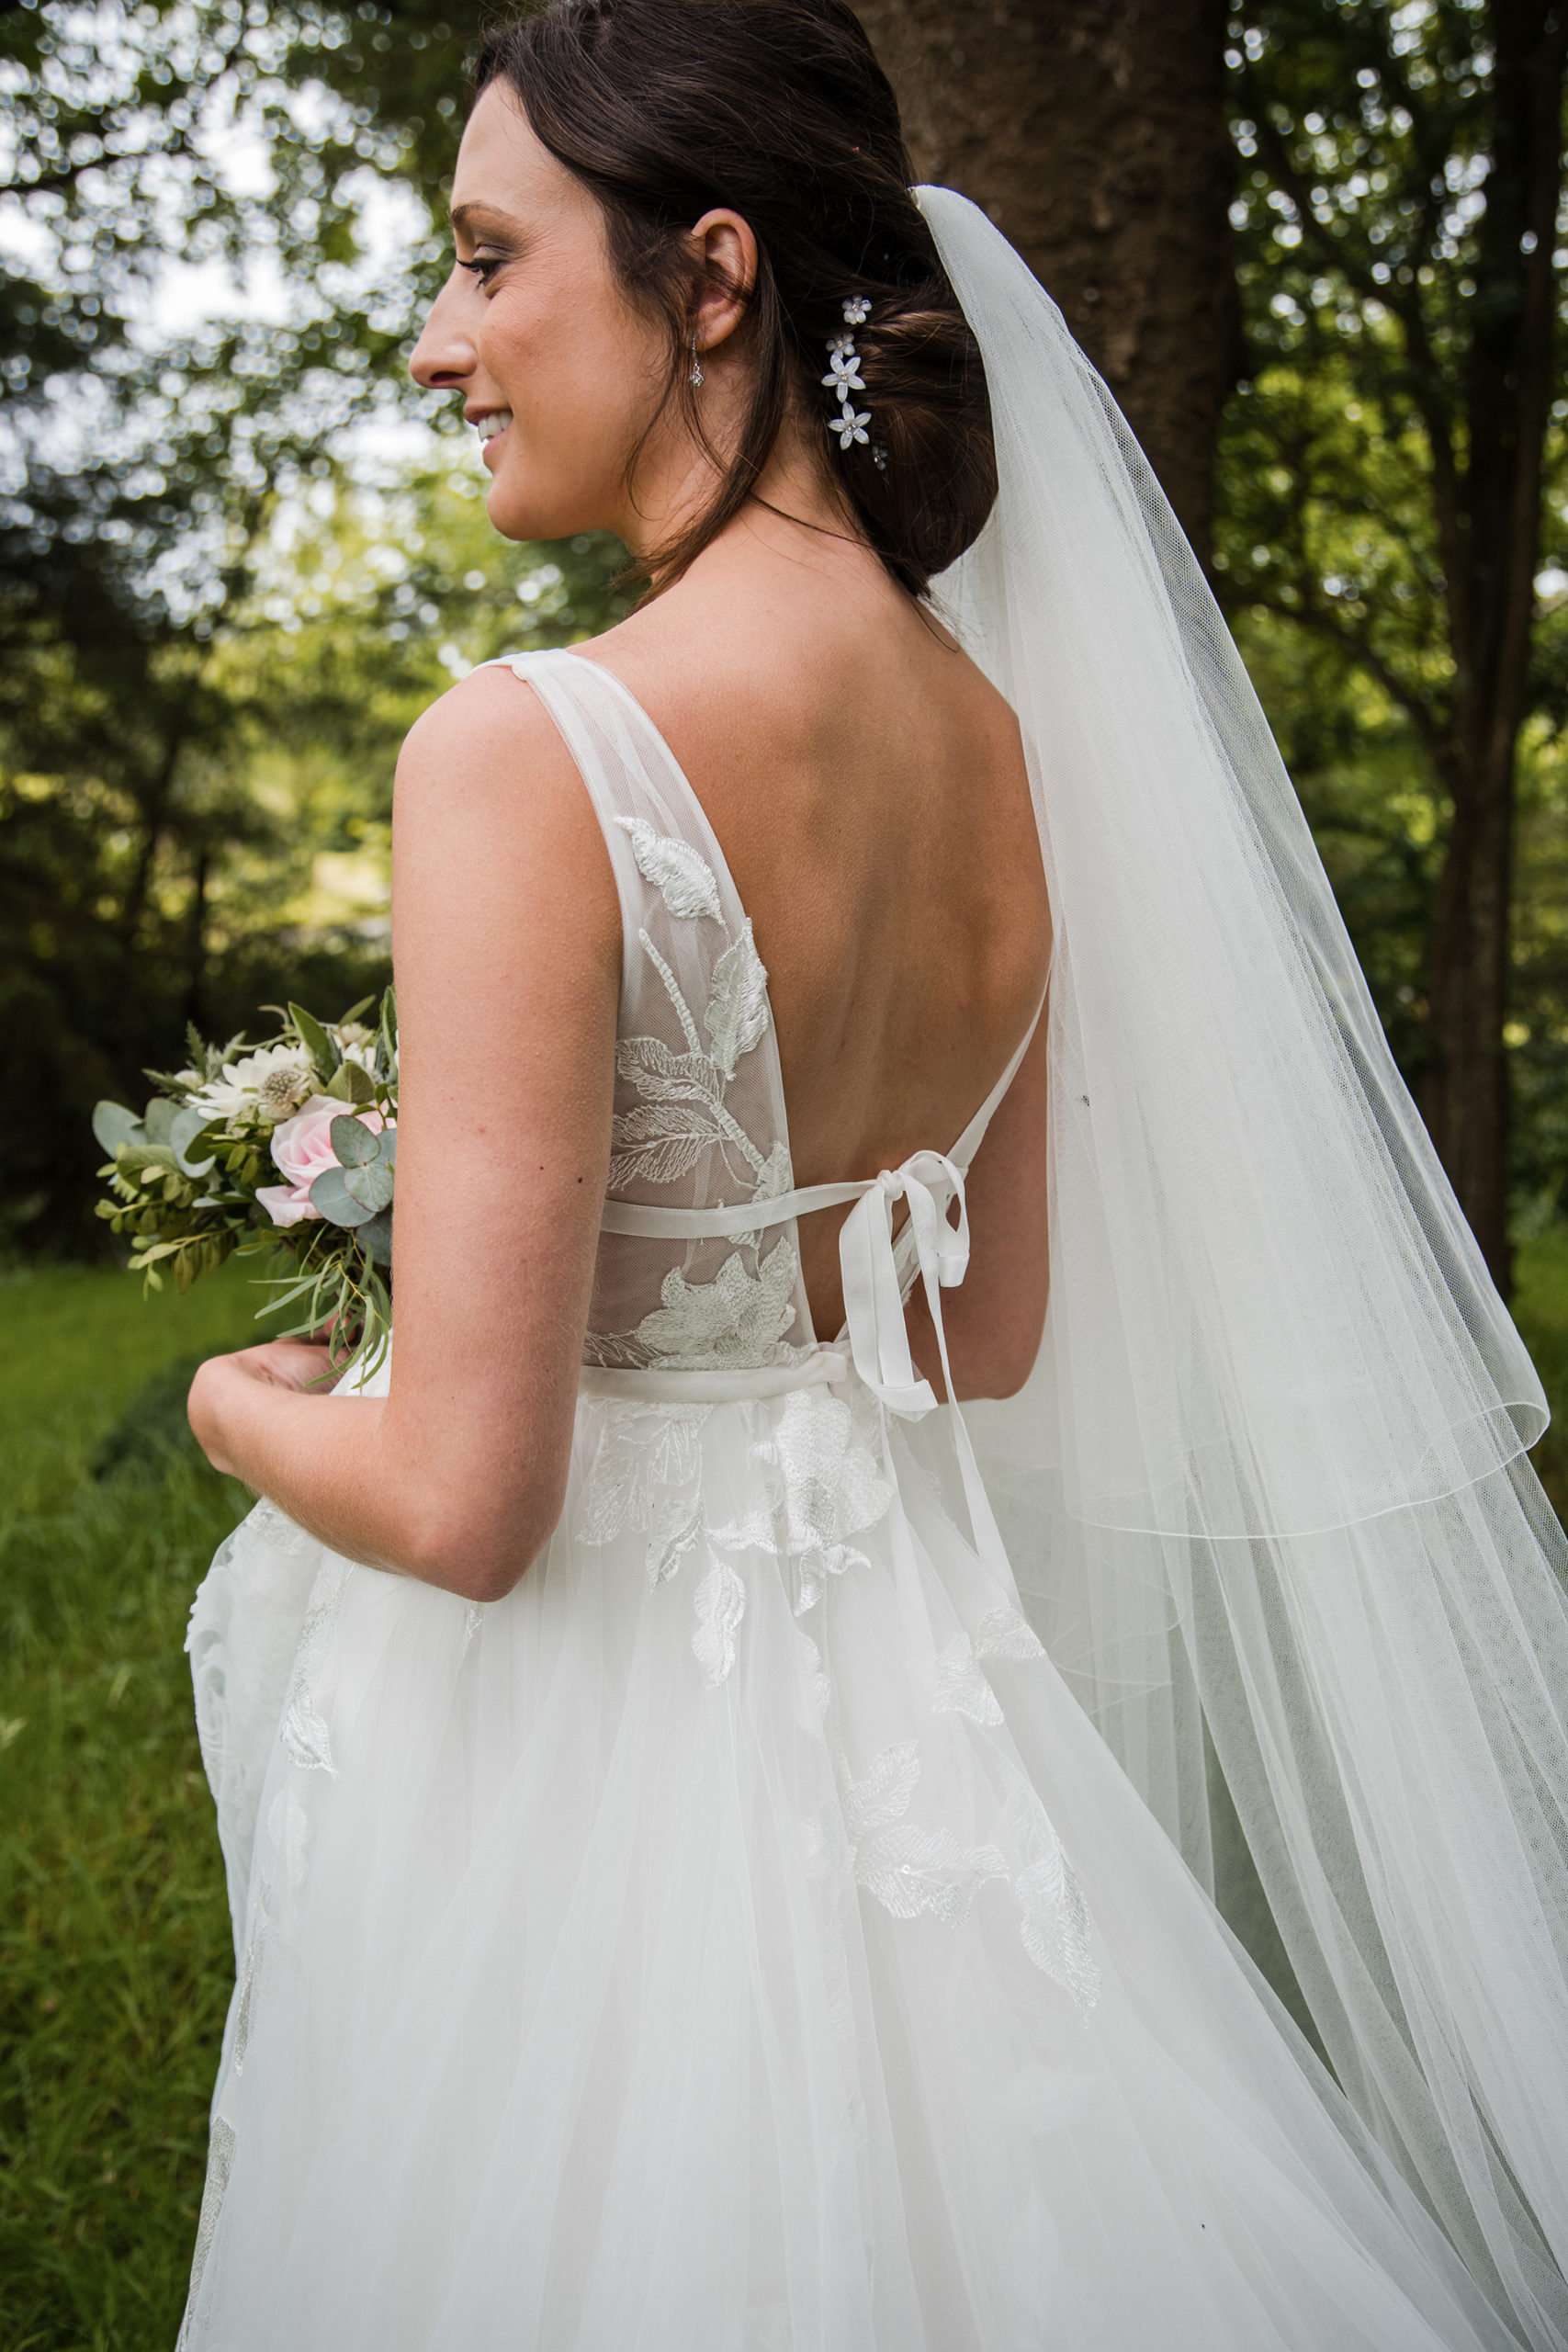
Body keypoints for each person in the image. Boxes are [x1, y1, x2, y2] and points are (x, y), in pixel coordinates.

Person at [177, 4, 1568, 2346]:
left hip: (589, 1757)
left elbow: (471, 1505)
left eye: (488, 258)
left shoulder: (527, 750)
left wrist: (246, 1395)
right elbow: (981, 1326)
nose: (441, 345)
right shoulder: (1005, 747)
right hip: (902, 1689)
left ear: (709, 276)